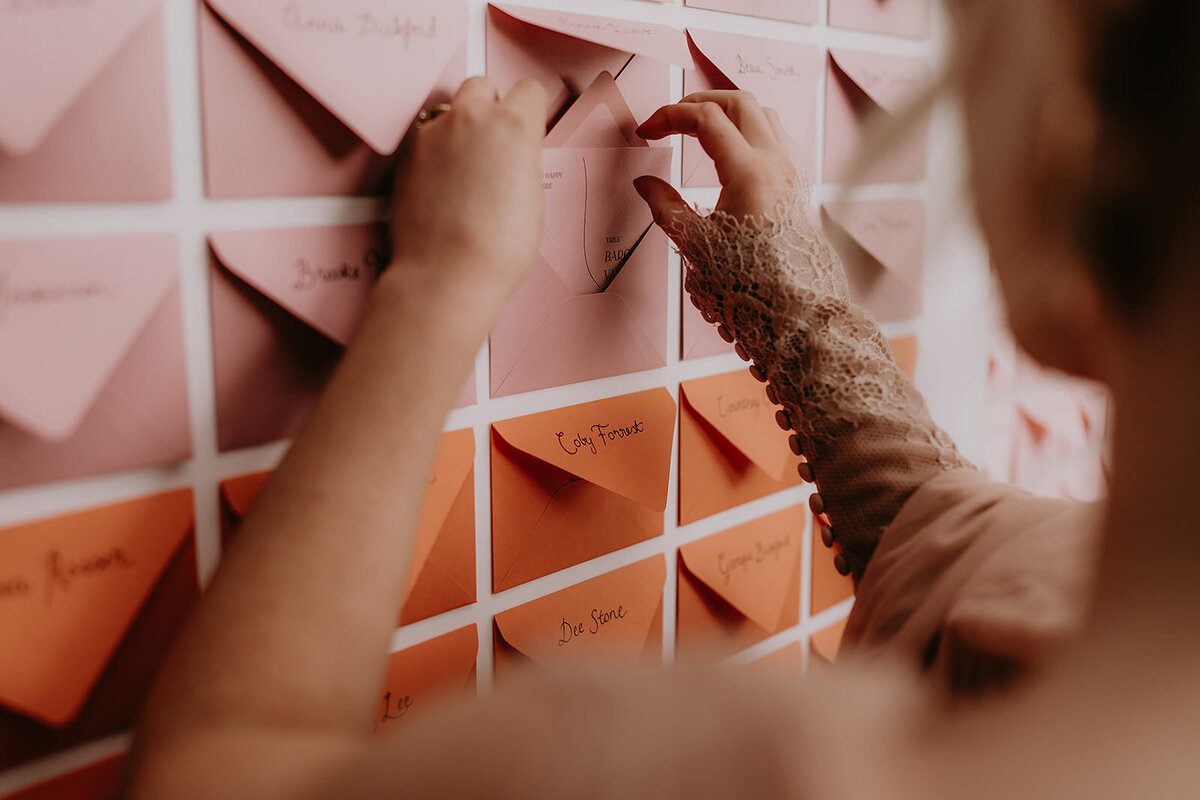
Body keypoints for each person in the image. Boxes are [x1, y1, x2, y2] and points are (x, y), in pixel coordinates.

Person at [127, 0, 1200, 796]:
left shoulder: (727, 767)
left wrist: (441, 284)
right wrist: (787, 292)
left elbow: (220, 770)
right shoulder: (1076, 593)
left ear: (1076, 159)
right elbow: (942, 532)